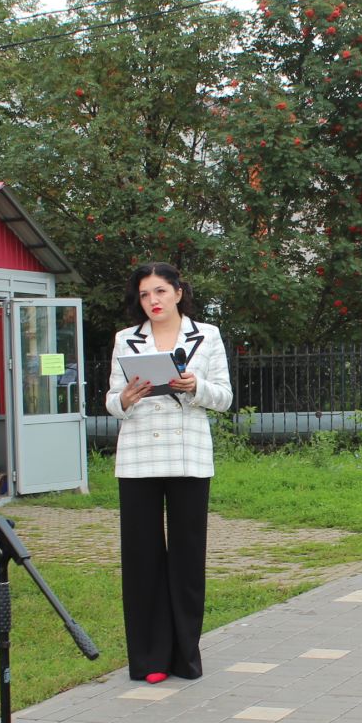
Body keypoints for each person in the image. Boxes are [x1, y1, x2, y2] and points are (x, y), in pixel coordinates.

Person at [106, 262, 233, 684]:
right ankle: (149, 659)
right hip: (138, 457)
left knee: (187, 557)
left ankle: (184, 656)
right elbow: (111, 400)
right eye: (145, 294)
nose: (153, 301)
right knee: (141, 558)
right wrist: (126, 398)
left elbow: (225, 397)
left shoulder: (207, 335)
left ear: (179, 292)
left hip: (188, 456)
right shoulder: (126, 339)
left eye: (160, 291)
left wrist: (195, 386)